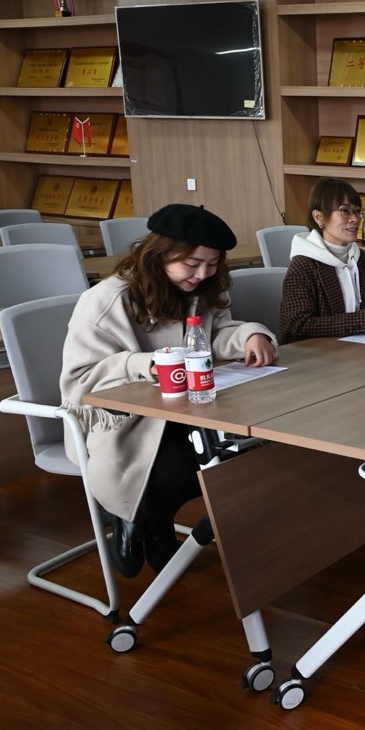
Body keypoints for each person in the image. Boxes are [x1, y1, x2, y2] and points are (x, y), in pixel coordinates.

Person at [60, 204, 277, 577]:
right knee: (186, 465)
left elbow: (213, 336)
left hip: (184, 409)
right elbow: (80, 381)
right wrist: (145, 364)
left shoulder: (202, 289)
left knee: (229, 456)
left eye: (212, 264)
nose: (202, 274)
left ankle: (150, 518)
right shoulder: (108, 300)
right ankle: (135, 516)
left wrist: (250, 334)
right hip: (120, 424)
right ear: (160, 253)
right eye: (192, 264)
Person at [279, 178, 365, 342]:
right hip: (320, 353)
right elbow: (296, 326)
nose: (355, 219)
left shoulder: (362, 259)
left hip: (361, 347)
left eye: (357, 211)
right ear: (319, 217)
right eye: (345, 211)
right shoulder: (304, 265)